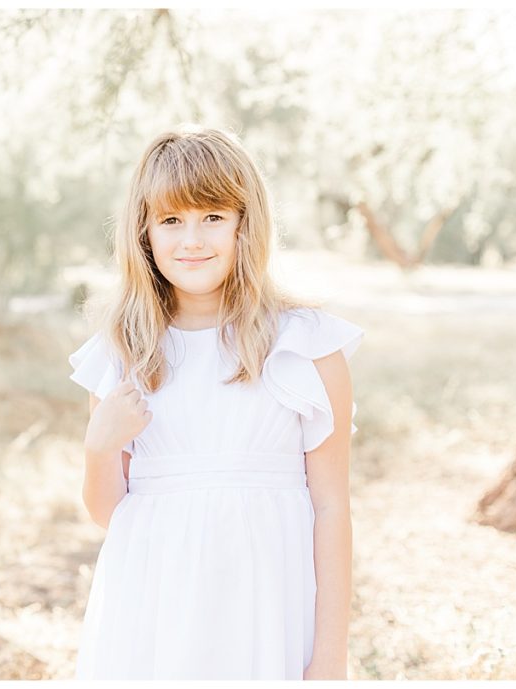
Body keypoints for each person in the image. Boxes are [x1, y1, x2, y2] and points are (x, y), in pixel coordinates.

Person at [67, 125, 364, 680]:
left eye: (213, 217)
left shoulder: (305, 345)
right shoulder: (122, 353)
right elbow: (112, 513)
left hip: (269, 600)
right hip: (155, 605)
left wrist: (330, 658)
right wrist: (97, 449)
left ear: (244, 226)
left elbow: (331, 508)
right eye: (171, 220)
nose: (192, 240)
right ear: (145, 234)